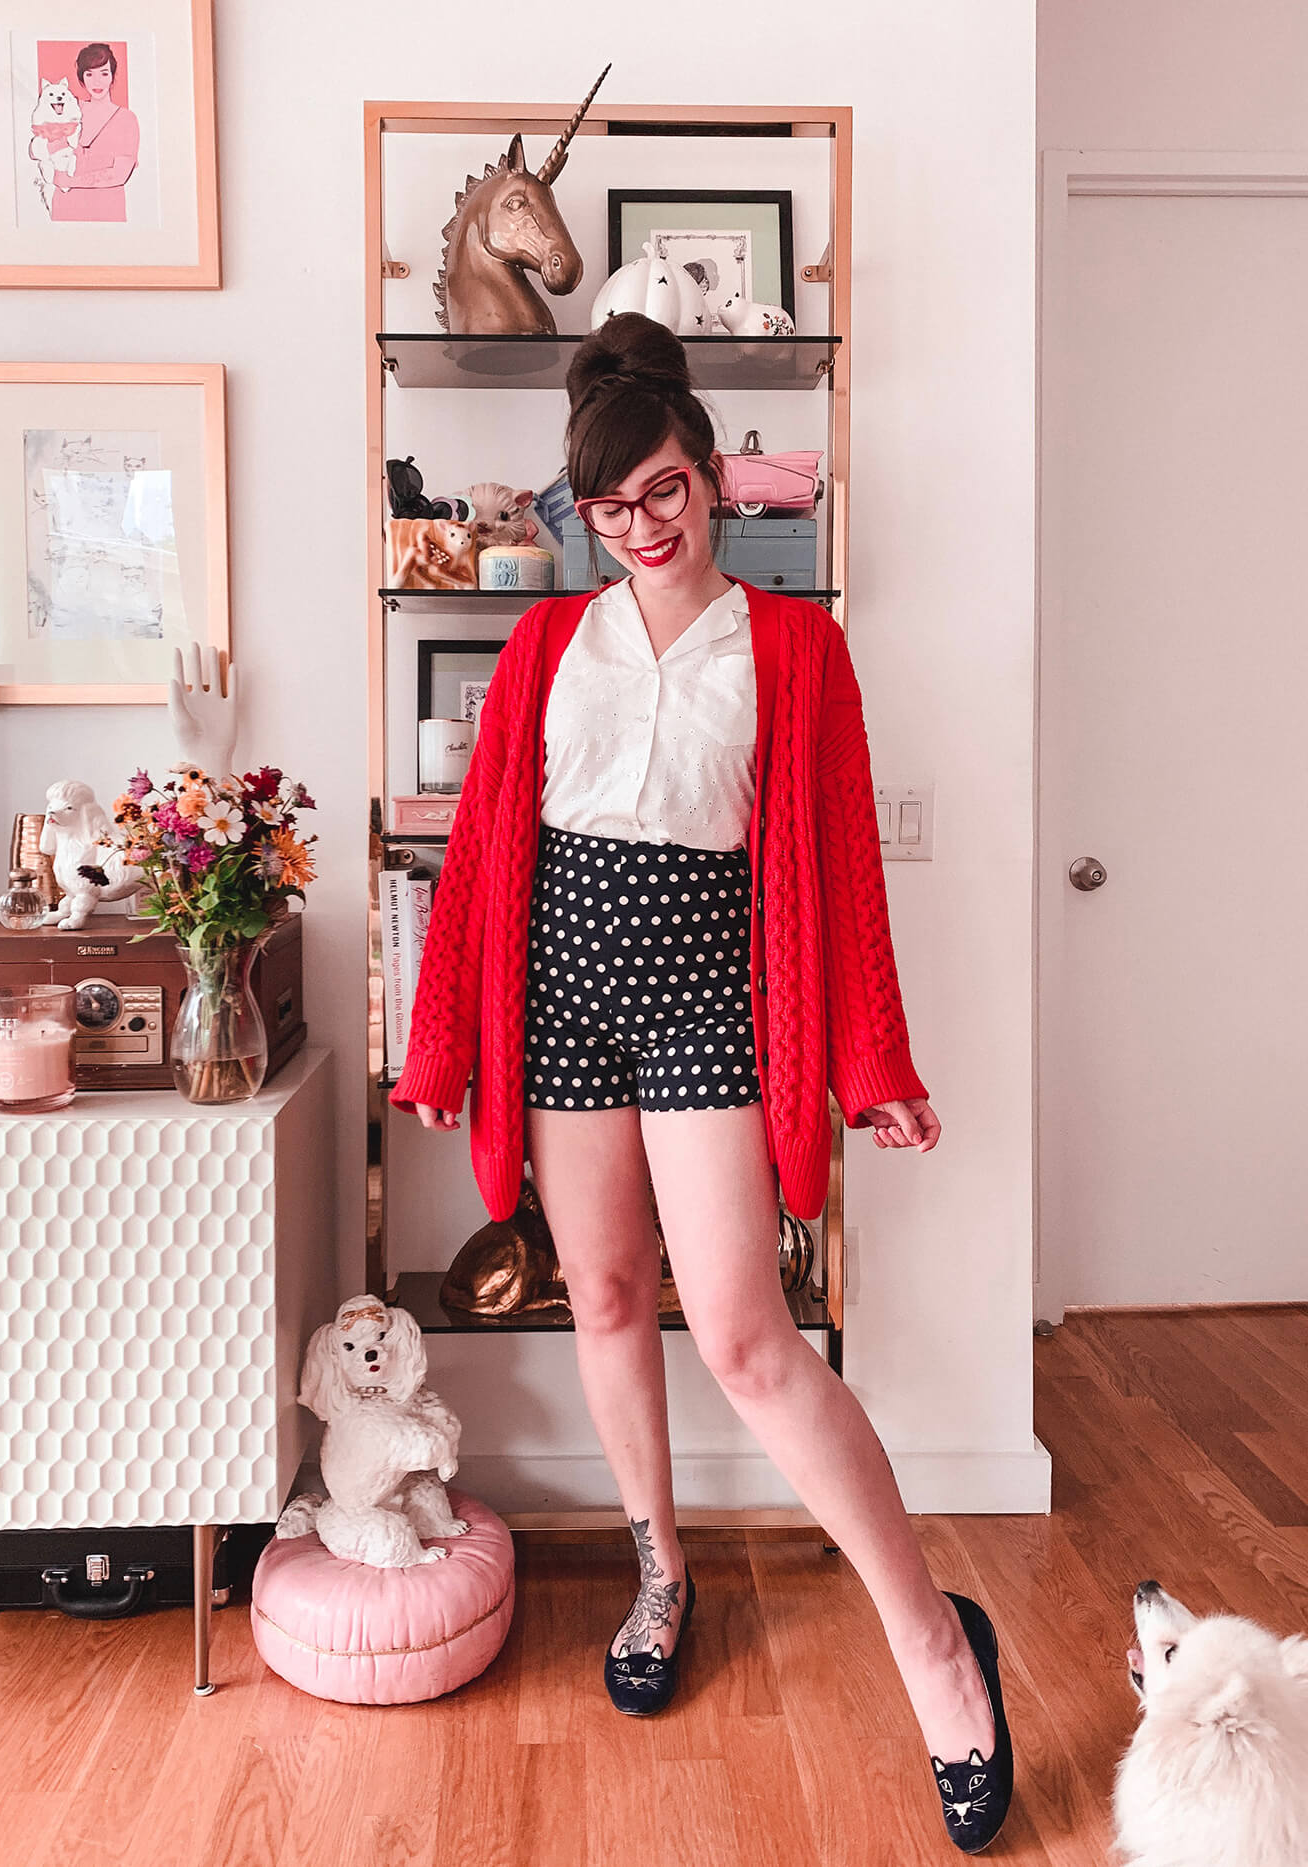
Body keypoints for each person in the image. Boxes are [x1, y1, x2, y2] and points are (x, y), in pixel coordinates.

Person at [390, 311, 1013, 1852]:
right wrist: (443, 1041)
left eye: (664, 491)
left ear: (714, 474)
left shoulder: (797, 646)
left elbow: (839, 869)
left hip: (706, 993)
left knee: (743, 1336)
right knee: (601, 1295)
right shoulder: (545, 644)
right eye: (609, 511)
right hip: (562, 996)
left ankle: (939, 1643)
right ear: (582, 515)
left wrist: (873, 1059)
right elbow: (479, 862)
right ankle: (660, 1569)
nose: (643, 530)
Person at [49, 43, 138, 223]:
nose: (97, 82)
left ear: (113, 76)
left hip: (107, 213)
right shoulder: (68, 109)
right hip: (65, 211)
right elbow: (44, 146)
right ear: (82, 78)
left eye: (104, 73)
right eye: (89, 74)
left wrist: (69, 181)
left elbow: (119, 174)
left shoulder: (126, 119)